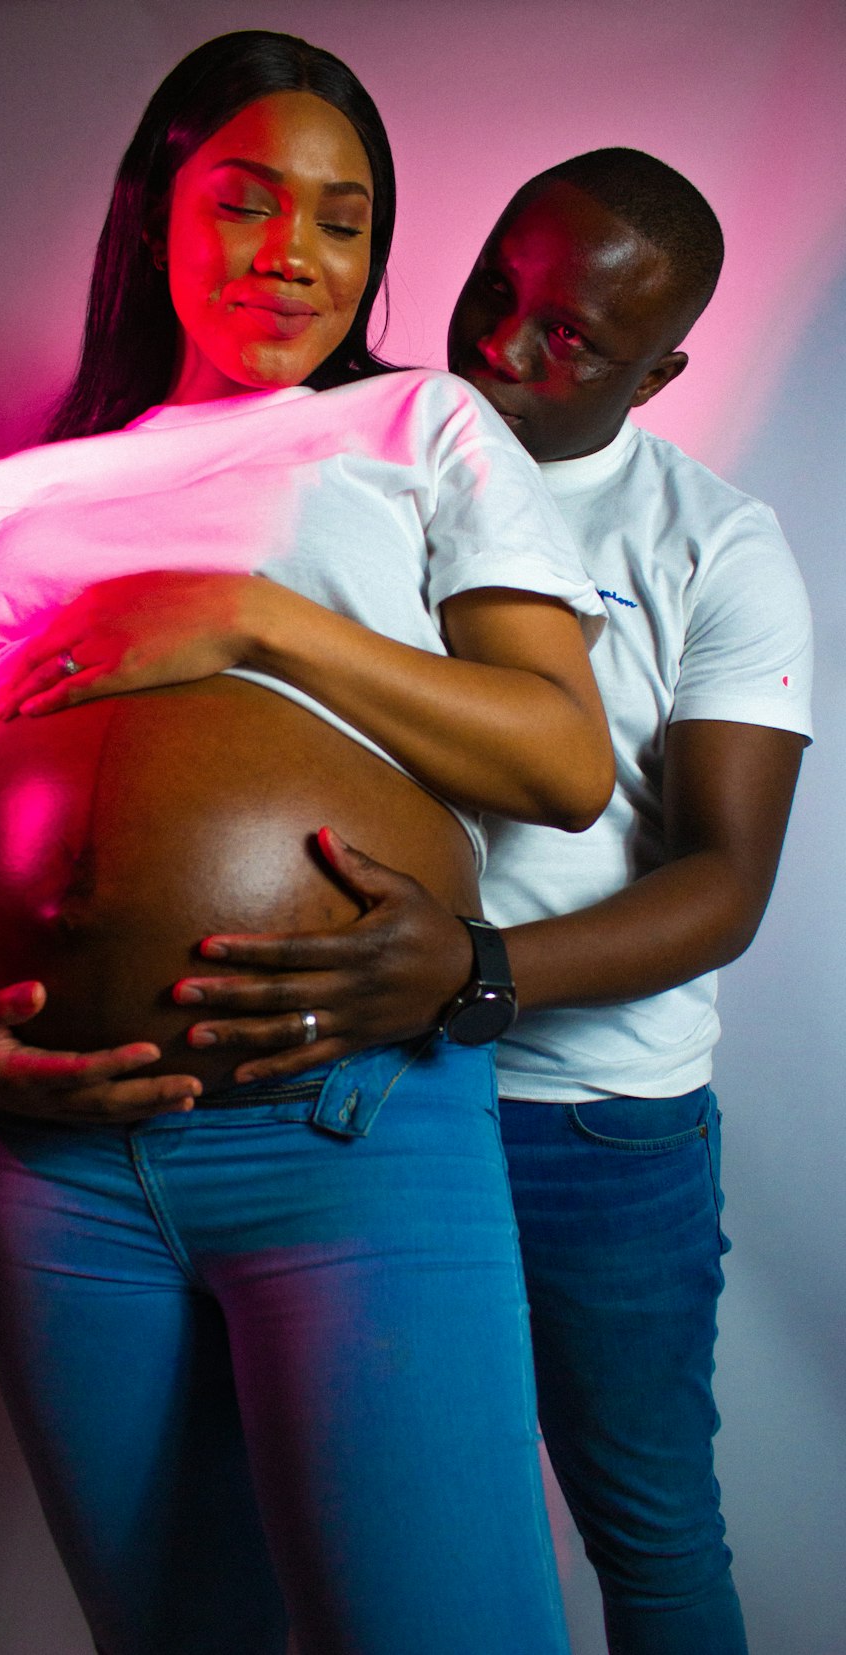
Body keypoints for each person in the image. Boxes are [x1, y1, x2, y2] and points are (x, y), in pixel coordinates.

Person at [0, 32, 618, 1655]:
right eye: (246, 202)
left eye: (341, 221)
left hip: (346, 1126)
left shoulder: (424, 430)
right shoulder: (20, 493)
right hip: (49, 1159)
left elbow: (558, 756)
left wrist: (248, 624)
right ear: (154, 219)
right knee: (173, 1634)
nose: (293, 255)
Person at [131, 151, 810, 1655]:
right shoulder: (352, 457)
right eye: (492, 288)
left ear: (661, 368)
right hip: (338, 1091)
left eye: (569, 335)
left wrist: (477, 971)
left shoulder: (716, 544)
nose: (502, 346)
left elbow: (723, 884)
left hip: (592, 1121)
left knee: (648, 1528)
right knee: (325, 1534)